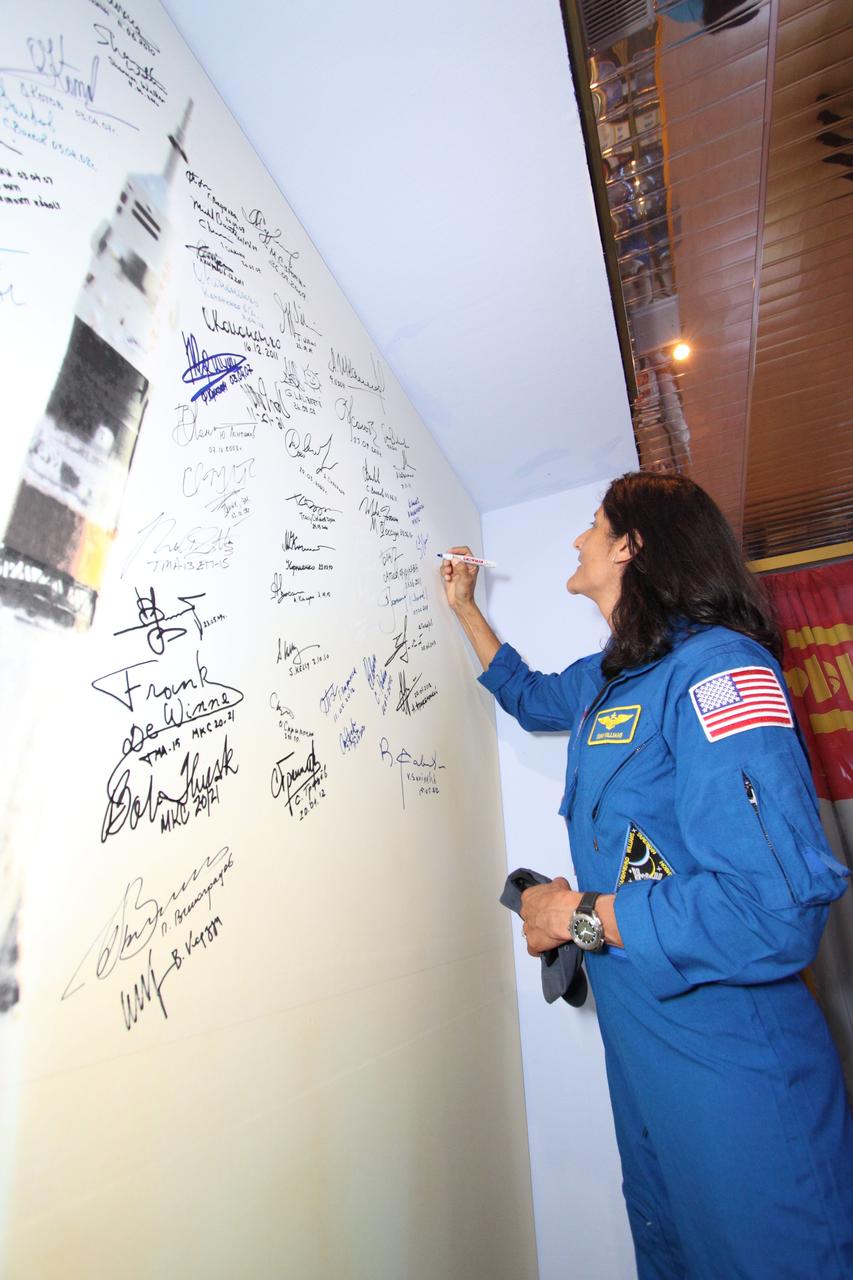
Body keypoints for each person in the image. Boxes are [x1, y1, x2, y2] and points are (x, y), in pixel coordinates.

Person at [441, 471, 853, 1280]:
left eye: (592, 524)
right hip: (643, 1060)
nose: (576, 539)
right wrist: (461, 607)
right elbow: (526, 697)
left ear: (631, 545)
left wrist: (573, 914)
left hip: (730, 1068)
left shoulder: (719, 673)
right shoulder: (612, 678)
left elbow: (769, 912)